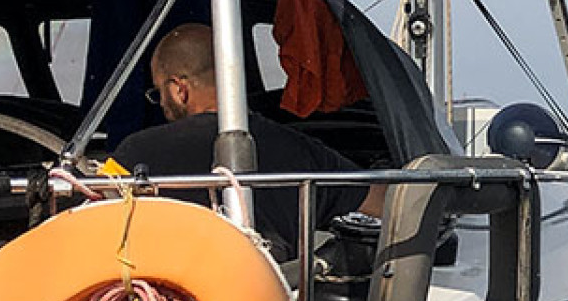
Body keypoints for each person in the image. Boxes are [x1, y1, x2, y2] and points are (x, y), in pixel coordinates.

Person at [110, 23, 380, 259]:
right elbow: (383, 201)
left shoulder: (137, 151)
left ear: (179, 89)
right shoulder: (301, 150)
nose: (162, 105)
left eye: (158, 94)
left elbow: (89, 209)